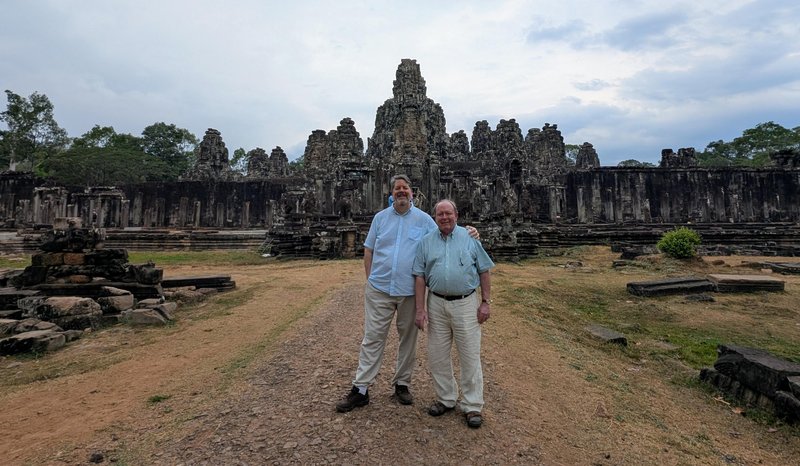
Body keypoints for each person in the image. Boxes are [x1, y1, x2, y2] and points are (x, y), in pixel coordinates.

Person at [336, 176, 477, 412]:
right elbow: (368, 250)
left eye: (405, 188)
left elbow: (445, 233)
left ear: (412, 192)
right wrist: (370, 279)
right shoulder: (380, 218)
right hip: (379, 289)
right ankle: (360, 388)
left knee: (408, 340)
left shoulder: (424, 220)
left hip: (410, 292)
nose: (401, 192)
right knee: (372, 338)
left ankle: (402, 383)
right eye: (397, 188)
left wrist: (468, 232)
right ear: (391, 192)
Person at [412, 199, 495, 428]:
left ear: (456, 215)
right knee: (437, 355)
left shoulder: (470, 238)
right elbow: (419, 276)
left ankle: (472, 405)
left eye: (448, 213)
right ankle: (446, 398)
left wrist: (486, 302)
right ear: (435, 217)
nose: (445, 218)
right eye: (440, 214)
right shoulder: (426, 242)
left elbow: (484, 270)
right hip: (436, 303)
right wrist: (420, 309)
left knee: (469, 354)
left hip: (466, 303)